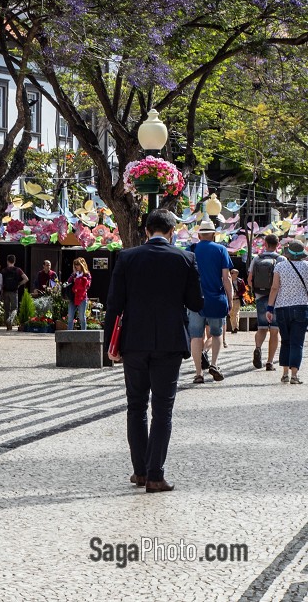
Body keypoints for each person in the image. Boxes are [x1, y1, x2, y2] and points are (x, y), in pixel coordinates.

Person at [104, 208, 203, 493]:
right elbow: (196, 302)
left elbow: (114, 305)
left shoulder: (127, 257)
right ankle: (156, 474)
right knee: (163, 409)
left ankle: (139, 471)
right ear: (172, 233)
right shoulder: (185, 258)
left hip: (133, 342)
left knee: (135, 406)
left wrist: (110, 347)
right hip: (170, 343)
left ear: (146, 231)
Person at [190, 220, 233, 383]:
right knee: (216, 334)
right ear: (214, 235)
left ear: (199, 235)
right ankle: (214, 364)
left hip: (195, 301)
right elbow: (226, 278)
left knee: (195, 336)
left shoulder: (191, 250)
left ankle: (198, 373)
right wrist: (229, 298)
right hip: (216, 299)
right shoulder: (221, 250)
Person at [265, 238, 308, 385]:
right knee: (297, 342)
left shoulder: (280, 266)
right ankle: (294, 375)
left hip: (281, 308)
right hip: (301, 307)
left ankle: (284, 374)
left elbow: (275, 288)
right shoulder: (307, 266)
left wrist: (270, 308)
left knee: (286, 341)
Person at [250, 235, 283, 371]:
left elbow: (250, 278)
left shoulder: (257, 258)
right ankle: (270, 362)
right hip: (276, 298)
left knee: (262, 328)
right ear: (277, 244)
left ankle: (258, 348)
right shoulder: (281, 259)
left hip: (260, 296)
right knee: (274, 331)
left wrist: (255, 291)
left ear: (265, 244)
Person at [0, 255, 28, 330]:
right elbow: (26, 279)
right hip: (14, 291)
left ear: (7, 261)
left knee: (6, 309)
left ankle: (8, 326)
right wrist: (19, 284)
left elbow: (1, 282)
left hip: (5, 291)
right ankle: (10, 320)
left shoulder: (3, 270)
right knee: (14, 308)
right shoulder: (18, 270)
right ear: (14, 261)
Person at [66, 257, 91, 330]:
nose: (76, 266)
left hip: (82, 298)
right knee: (70, 317)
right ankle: (69, 335)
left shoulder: (86, 274)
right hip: (73, 297)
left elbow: (88, 285)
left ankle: (84, 334)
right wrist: (74, 276)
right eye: (75, 265)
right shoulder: (74, 274)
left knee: (82, 317)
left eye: (78, 264)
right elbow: (68, 282)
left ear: (82, 265)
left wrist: (78, 280)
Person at [228, 268, 246, 333]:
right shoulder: (228, 280)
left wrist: (238, 294)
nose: (231, 274)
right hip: (230, 299)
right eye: (231, 273)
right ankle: (233, 327)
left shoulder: (240, 281)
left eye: (232, 273)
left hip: (237, 299)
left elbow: (244, 290)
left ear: (237, 274)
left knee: (236, 313)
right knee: (231, 314)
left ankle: (235, 327)